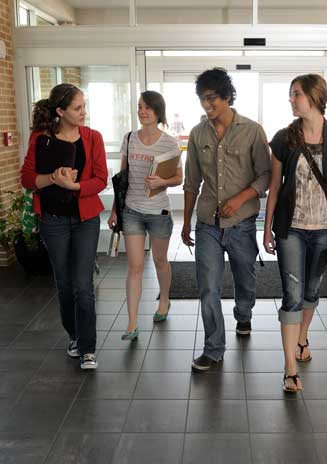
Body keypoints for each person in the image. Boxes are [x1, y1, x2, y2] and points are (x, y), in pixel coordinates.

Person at [264, 74, 327, 392]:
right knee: (291, 297)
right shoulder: (283, 138)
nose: (291, 100)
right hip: (291, 229)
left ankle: (302, 337)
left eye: (296, 94)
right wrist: (267, 228)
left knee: (312, 292)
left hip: (325, 231)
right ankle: (289, 368)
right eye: (290, 95)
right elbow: (275, 186)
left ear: (314, 97)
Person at [182, 68, 271, 371]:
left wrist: (239, 198)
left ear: (228, 97)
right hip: (207, 222)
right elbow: (191, 181)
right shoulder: (197, 133)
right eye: (202, 100)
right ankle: (213, 348)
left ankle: (243, 314)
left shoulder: (252, 130)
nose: (207, 106)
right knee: (208, 286)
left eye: (212, 100)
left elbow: (266, 176)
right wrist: (185, 223)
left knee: (245, 280)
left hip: (243, 223)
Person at [21, 83, 108, 370]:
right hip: (53, 221)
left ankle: (87, 348)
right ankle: (73, 335)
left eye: (84, 106)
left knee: (84, 286)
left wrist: (74, 185)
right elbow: (27, 178)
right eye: (77, 108)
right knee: (65, 285)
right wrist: (53, 179)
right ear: (60, 111)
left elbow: (100, 179)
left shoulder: (93, 138)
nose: (84, 112)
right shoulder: (40, 138)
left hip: (85, 220)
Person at [108, 91, 182, 340]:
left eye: (148, 107)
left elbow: (178, 177)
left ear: (158, 112)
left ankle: (165, 299)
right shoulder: (130, 139)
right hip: (132, 211)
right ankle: (131, 323)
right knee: (135, 267)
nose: (142, 111)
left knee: (160, 261)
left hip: (159, 211)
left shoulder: (170, 142)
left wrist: (163, 180)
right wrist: (115, 210)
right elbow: (123, 178)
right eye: (140, 107)